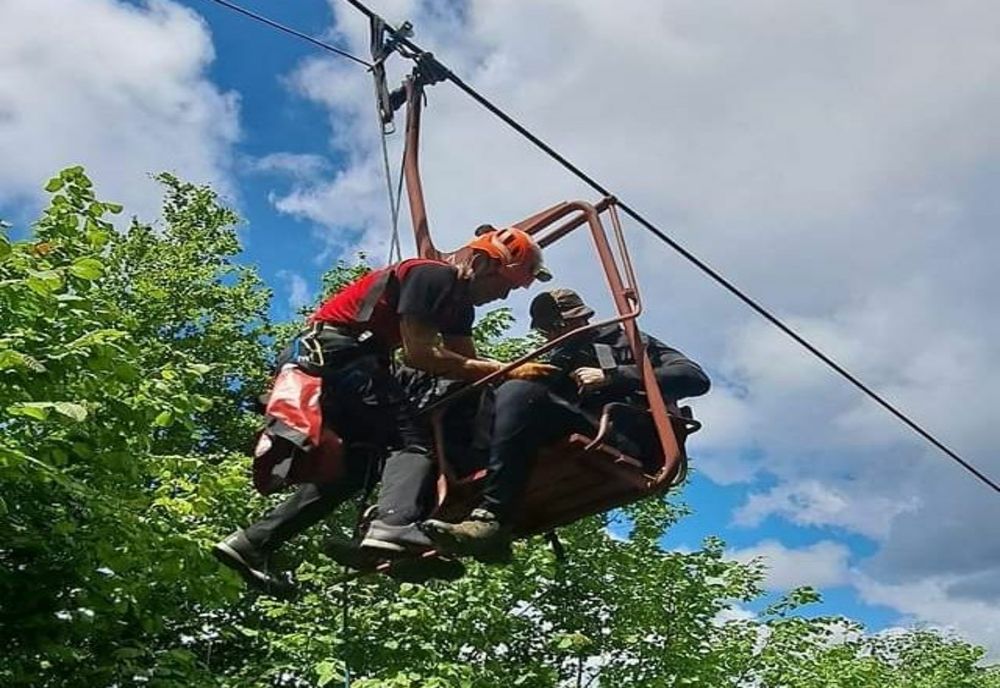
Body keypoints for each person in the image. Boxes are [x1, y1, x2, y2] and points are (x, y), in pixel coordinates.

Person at [212, 228, 556, 594]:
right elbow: (420, 354)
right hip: (338, 355)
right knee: (410, 440)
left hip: (342, 362)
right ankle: (393, 525)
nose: (503, 296)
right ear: (482, 262)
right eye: (504, 285)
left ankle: (252, 543)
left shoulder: (460, 307)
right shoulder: (432, 276)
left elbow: (468, 366)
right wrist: (509, 372)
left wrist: (506, 373)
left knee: (355, 469)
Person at [422, 288, 710, 561]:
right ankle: (434, 512)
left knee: (517, 392)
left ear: (581, 318)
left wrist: (613, 376)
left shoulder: (626, 341)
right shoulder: (559, 357)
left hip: (619, 432)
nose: (554, 334)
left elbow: (693, 377)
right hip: (570, 426)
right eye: (548, 330)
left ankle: (493, 517)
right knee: (471, 399)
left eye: (558, 326)